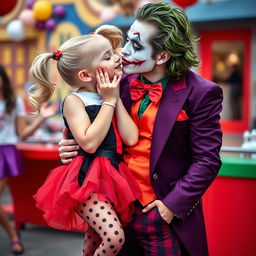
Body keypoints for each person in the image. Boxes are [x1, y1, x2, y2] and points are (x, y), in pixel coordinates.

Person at [59, 2, 223, 256]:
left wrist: (170, 206)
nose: (122, 52)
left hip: (161, 214)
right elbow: (83, 122)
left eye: (135, 45)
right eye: (126, 41)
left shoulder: (202, 93)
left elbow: (207, 160)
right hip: (115, 210)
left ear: (162, 56)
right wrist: (68, 146)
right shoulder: (115, 83)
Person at [29, 30, 141, 256]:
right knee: (114, 238)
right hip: (83, 179)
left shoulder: (109, 96)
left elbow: (131, 138)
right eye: (107, 57)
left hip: (110, 176)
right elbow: (89, 143)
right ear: (86, 75)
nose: (117, 58)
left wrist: (113, 99)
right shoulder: (74, 100)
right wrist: (109, 102)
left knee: (93, 241)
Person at [0, 65, 57, 255]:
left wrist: (42, 117)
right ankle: (14, 236)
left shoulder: (13, 101)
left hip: (4, 152)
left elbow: (22, 133)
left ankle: (14, 237)